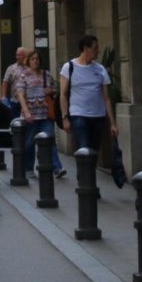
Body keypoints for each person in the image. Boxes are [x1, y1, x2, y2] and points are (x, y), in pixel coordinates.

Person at [59, 35, 115, 181]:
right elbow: (63, 95)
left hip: (98, 117)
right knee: (84, 149)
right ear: (85, 48)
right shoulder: (69, 67)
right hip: (78, 114)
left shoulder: (100, 69)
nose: (98, 51)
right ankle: (87, 183)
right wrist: (65, 118)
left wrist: (113, 123)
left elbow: (106, 98)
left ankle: (87, 179)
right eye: (95, 48)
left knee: (94, 152)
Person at [13, 50, 62, 176]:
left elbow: (55, 90)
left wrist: (50, 91)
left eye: (37, 59)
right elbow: (20, 95)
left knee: (49, 139)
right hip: (31, 115)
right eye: (33, 59)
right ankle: (29, 168)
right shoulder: (24, 76)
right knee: (29, 143)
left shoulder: (46, 75)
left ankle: (57, 167)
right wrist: (26, 111)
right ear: (28, 61)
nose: (35, 61)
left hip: (46, 114)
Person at [0, 46, 30, 118]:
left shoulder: (30, 68)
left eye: (20, 55)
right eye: (17, 55)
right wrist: (4, 97)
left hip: (28, 101)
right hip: (14, 100)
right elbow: (5, 82)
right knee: (15, 120)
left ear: (25, 56)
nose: (17, 57)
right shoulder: (11, 68)